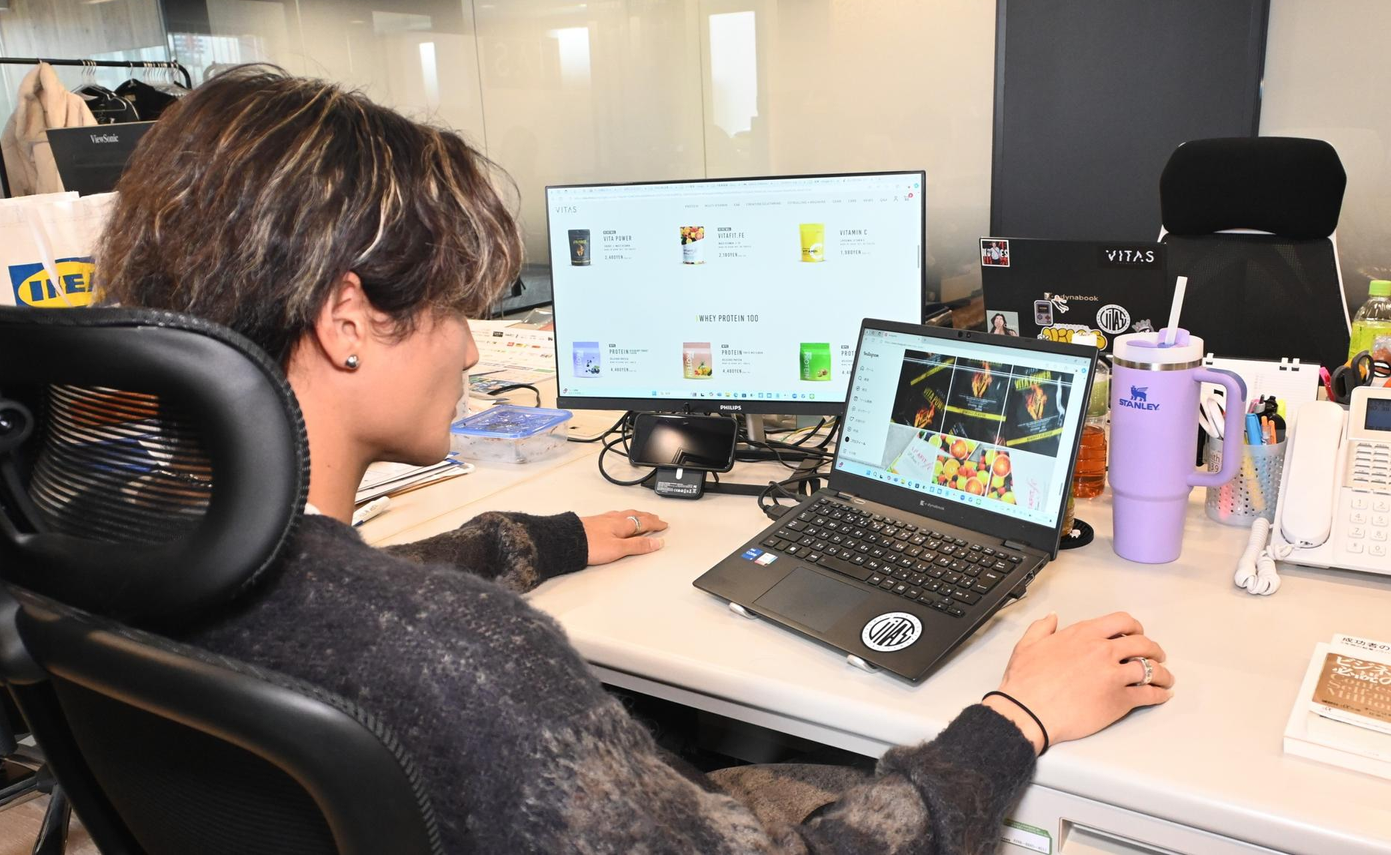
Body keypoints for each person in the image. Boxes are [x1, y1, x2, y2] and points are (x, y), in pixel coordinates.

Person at [97, 67, 1175, 855]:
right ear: (347, 322)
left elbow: (341, 595)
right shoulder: (476, 663)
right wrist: (1017, 719)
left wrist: (546, 539)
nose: (470, 346)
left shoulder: (101, 542)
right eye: (450, 309)